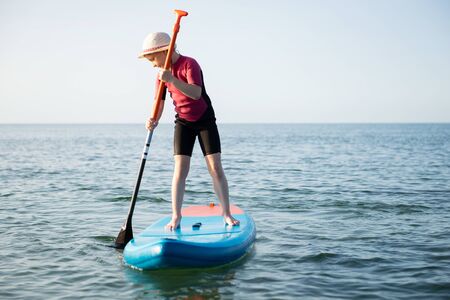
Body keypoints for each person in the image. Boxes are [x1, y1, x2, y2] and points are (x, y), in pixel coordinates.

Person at [138, 32, 240, 231]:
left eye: (153, 58)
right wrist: (154, 119)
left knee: (215, 167)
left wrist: (172, 79)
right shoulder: (160, 75)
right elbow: (158, 102)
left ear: (165, 51)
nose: (152, 64)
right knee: (180, 169)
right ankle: (176, 216)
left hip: (205, 120)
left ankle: (226, 213)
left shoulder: (189, 64)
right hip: (183, 122)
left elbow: (195, 93)